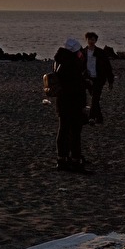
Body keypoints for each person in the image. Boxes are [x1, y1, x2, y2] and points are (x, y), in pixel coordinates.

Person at [52, 38, 92, 173]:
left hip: (62, 101)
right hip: (73, 102)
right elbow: (76, 86)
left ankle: (62, 159)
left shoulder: (59, 61)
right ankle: (75, 160)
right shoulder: (72, 64)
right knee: (75, 132)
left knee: (63, 130)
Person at [83, 32, 114, 124]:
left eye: (93, 39)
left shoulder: (101, 52)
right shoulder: (83, 52)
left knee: (95, 98)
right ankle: (99, 118)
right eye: (89, 39)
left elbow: (108, 67)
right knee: (94, 98)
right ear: (87, 40)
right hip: (88, 78)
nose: (91, 41)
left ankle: (91, 117)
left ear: (96, 41)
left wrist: (110, 80)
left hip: (99, 78)